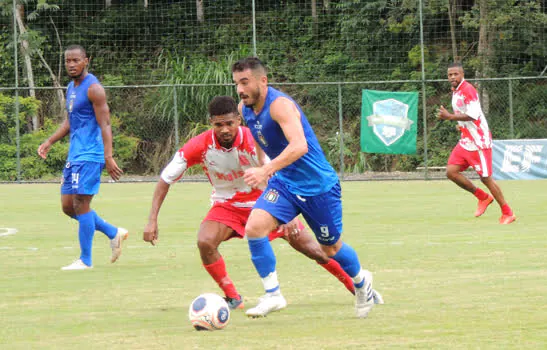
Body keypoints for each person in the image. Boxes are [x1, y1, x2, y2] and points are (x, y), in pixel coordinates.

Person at [143, 96, 375, 310]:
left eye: (229, 123)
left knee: (316, 250)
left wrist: (290, 215)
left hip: (266, 202)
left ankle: (358, 288)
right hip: (227, 206)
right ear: (211, 123)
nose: (224, 129)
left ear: (238, 119)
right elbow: (165, 179)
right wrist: (152, 220)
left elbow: (280, 173)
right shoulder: (199, 146)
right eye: (218, 125)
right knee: (205, 241)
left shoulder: (256, 140)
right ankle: (233, 297)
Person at [232, 57, 381, 318]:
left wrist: (266, 170)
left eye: (245, 83)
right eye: (236, 84)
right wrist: (265, 173)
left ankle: (361, 281)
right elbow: (261, 142)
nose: (240, 90)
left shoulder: (280, 106)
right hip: (285, 183)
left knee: (330, 248)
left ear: (262, 81)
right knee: (254, 228)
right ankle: (273, 295)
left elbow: (299, 145)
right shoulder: (245, 109)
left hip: (318, 187)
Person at [37, 45, 128, 270]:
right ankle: (112, 232)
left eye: (76, 60)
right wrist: (49, 141)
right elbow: (70, 120)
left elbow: (105, 123)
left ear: (86, 61)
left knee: (81, 203)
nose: (71, 64)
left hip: (91, 154)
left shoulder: (94, 88)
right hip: (75, 154)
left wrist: (108, 156)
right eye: (68, 61)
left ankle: (85, 260)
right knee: (68, 206)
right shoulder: (71, 87)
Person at [438, 62, 516, 224]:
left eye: (455, 74)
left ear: (462, 74)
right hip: (466, 140)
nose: (452, 77)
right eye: (450, 74)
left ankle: (508, 213)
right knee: (451, 172)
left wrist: (450, 117)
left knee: (486, 179)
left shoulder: (468, 90)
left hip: (479, 142)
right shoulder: (456, 91)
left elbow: (473, 115)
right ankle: (483, 197)